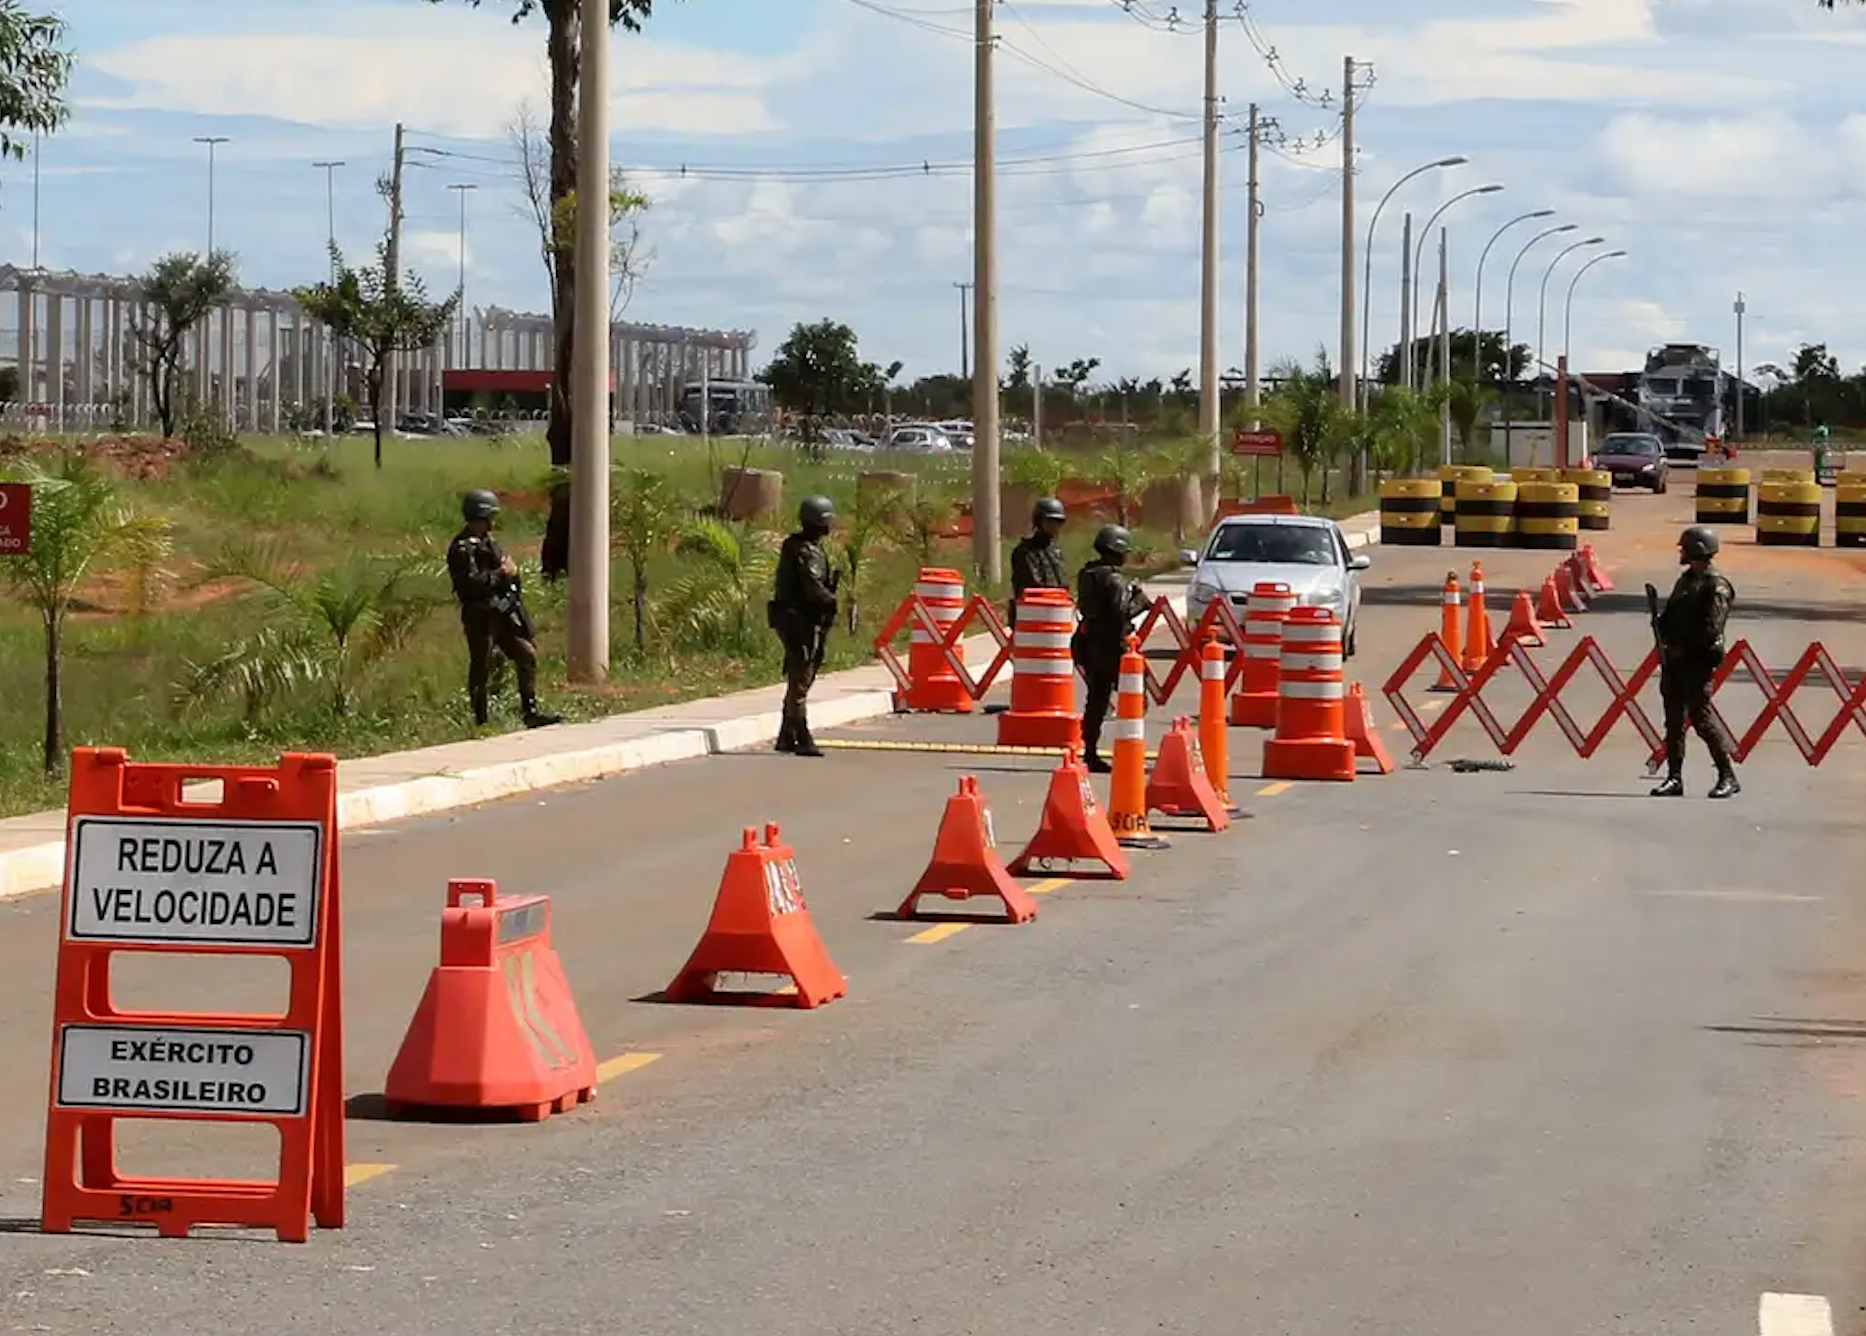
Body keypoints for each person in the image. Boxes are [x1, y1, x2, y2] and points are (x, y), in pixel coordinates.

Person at [446, 489, 562, 730]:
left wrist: (511, 577)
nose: (494, 521)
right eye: (491, 516)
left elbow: (509, 572)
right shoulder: (462, 548)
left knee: (526, 654)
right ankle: (481, 719)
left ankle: (530, 711)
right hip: (480, 616)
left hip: (502, 613)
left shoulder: (490, 543)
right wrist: (501, 574)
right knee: (482, 665)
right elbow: (470, 584)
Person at [1651, 524, 1738, 799]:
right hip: (1676, 660)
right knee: (1674, 721)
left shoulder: (1716, 586)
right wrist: (1662, 630)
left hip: (1698, 661)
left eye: (1686, 548)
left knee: (1702, 719)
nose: (1682, 553)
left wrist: (1684, 647)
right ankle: (1674, 777)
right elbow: (1673, 615)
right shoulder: (1687, 580)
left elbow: (1711, 628)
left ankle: (1727, 775)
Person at [1073, 524, 1150, 773]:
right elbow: (1120, 614)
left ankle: (1090, 750)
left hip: (1089, 642)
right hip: (1112, 646)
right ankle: (1129, 749)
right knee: (1134, 698)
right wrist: (1139, 600)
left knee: (1096, 700)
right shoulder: (1115, 580)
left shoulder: (1087, 574)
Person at [770, 494, 841, 757]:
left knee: (800, 677)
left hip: (795, 620)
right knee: (801, 678)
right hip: (800, 622)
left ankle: (786, 735)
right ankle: (802, 735)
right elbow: (813, 589)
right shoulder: (805, 551)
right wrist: (831, 600)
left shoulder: (800, 546)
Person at [1007, 497, 1068, 626]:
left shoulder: (1055, 551)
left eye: (1058, 522)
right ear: (1039, 521)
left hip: (1055, 616)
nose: (1055, 527)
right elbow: (1032, 586)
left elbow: (1063, 584)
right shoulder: (1025, 552)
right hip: (1032, 617)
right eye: (1050, 522)